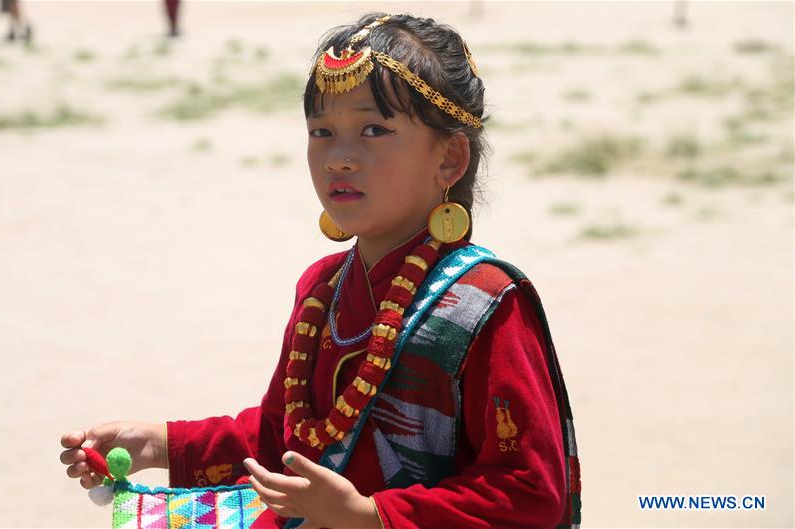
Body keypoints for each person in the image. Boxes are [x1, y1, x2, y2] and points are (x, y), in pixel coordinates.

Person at [60, 12, 581, 529]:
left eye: (374, 129)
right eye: (322, 131)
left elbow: (531, 491)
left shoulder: (486, 303)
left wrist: (370, 515)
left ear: (449, 158)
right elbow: (283, 439)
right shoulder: (322, 288)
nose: (339, 158)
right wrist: (160, 444)